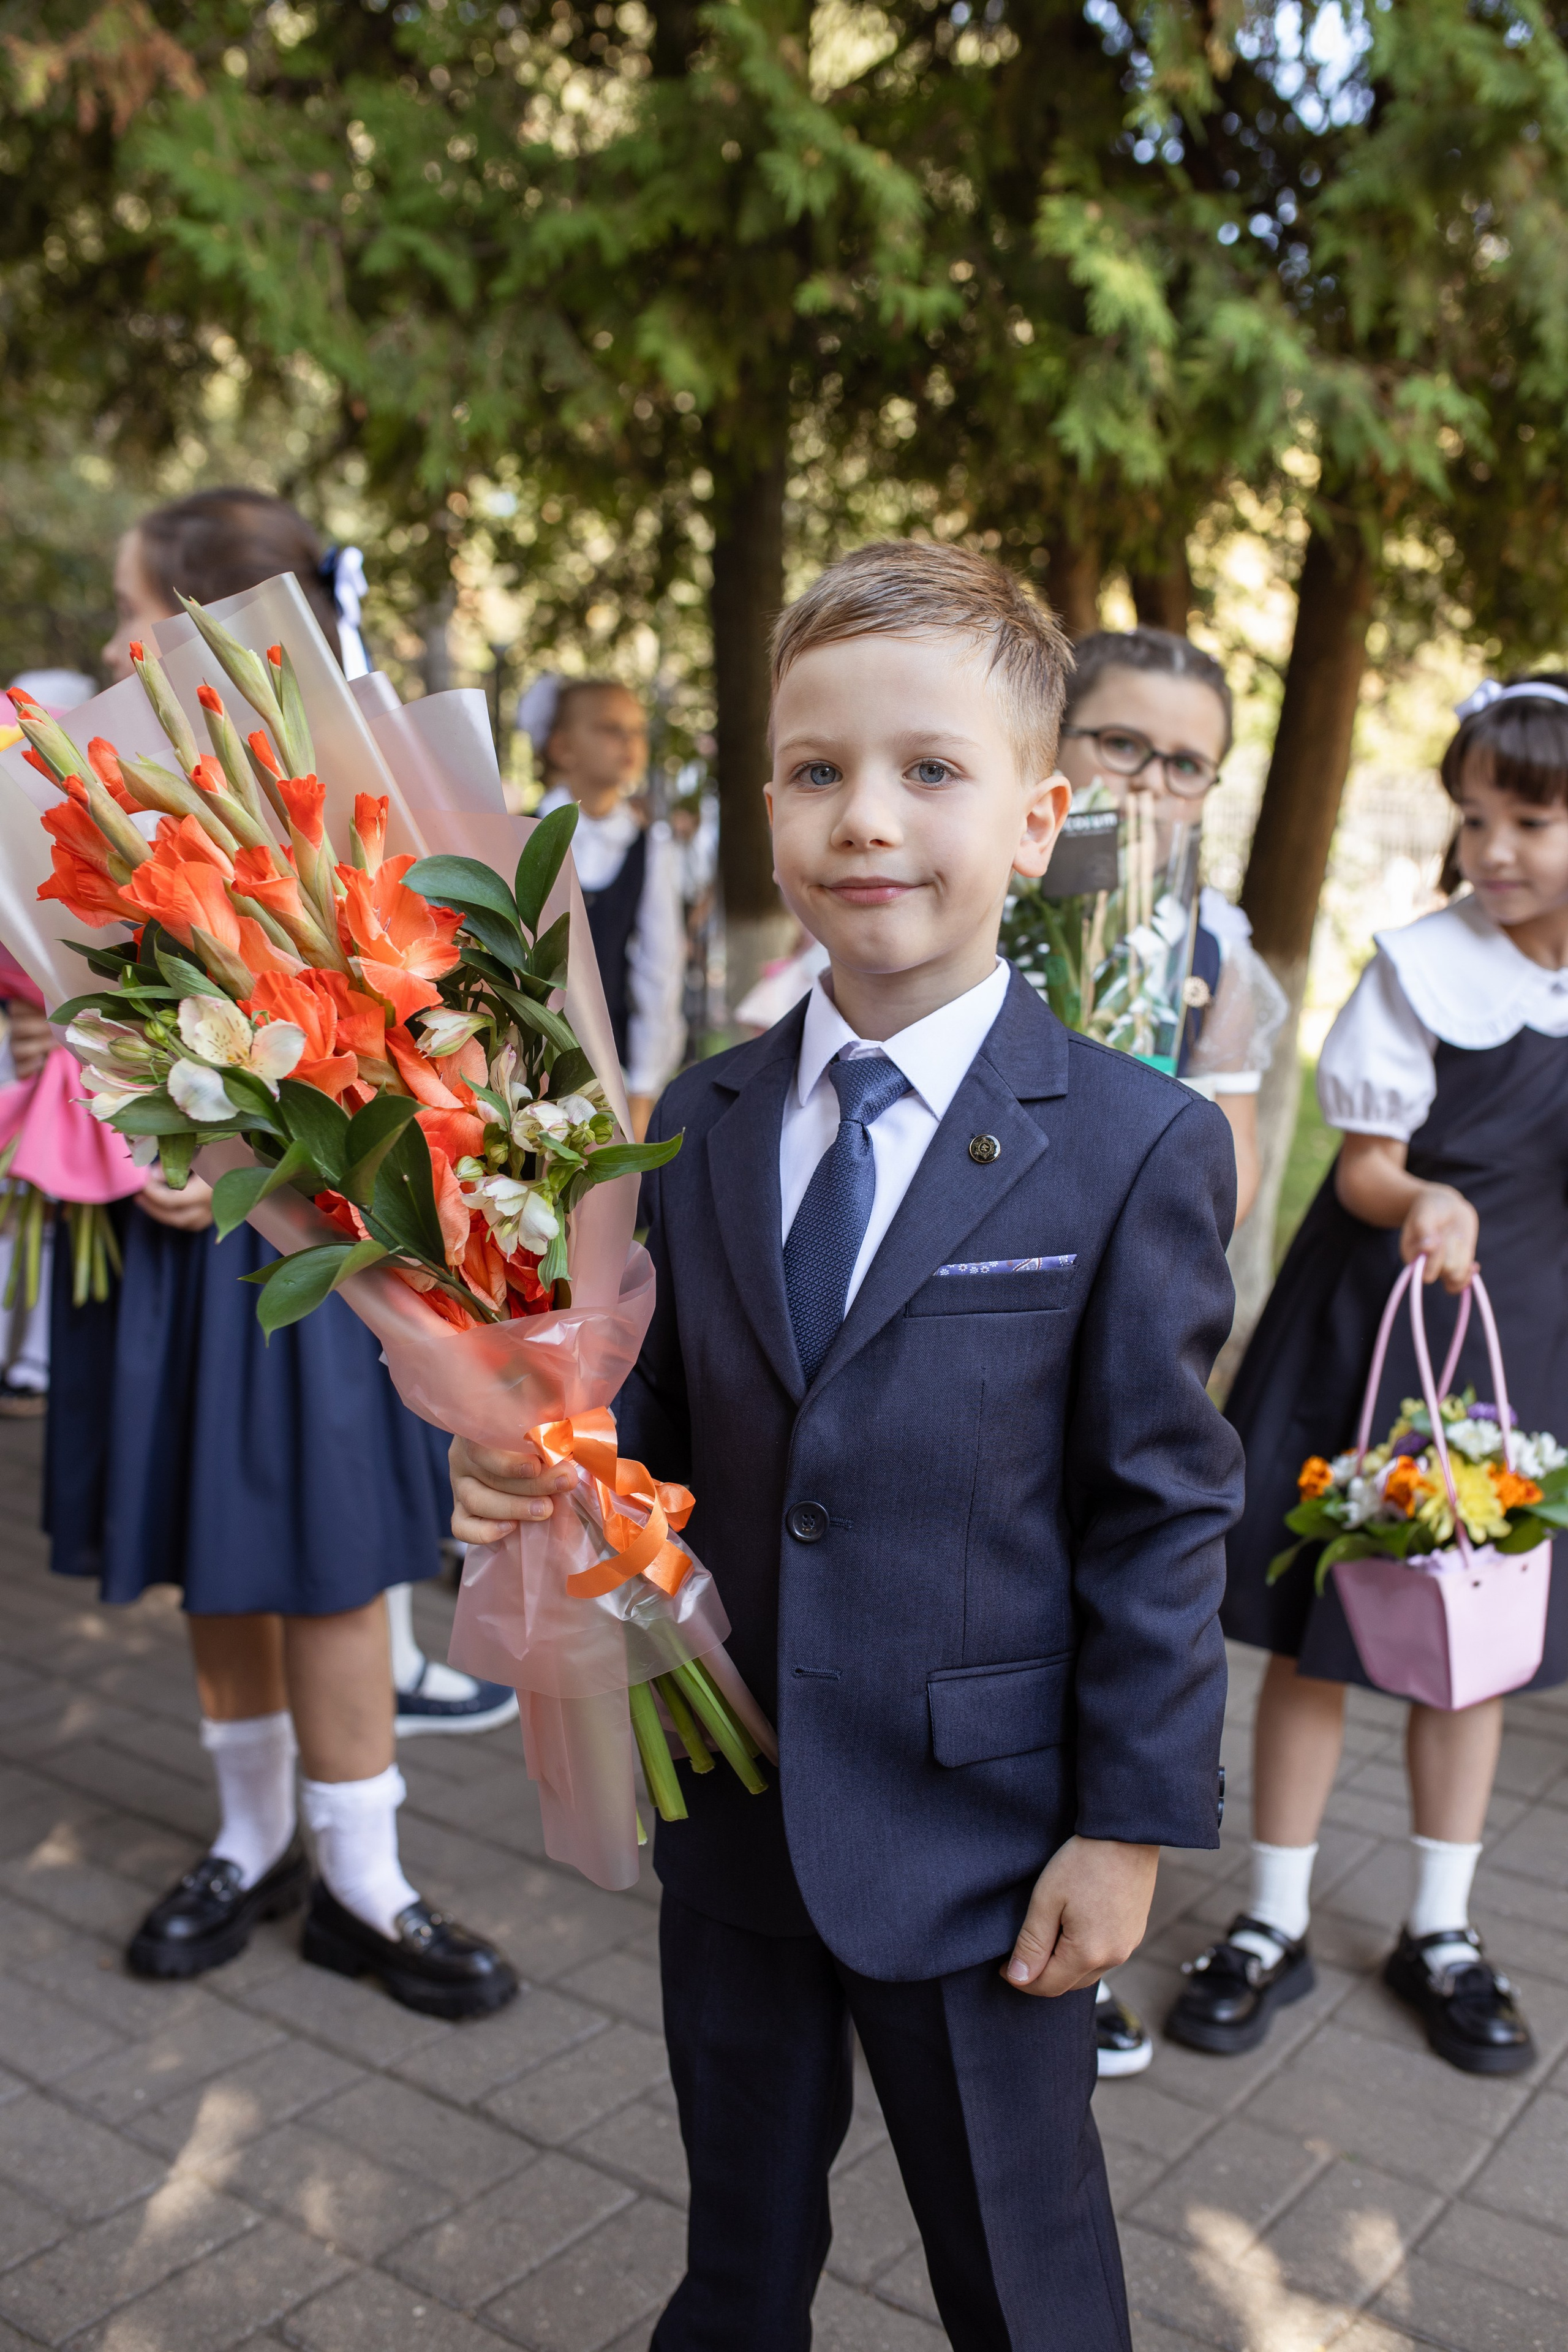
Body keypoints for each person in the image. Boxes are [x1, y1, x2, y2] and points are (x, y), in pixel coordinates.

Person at [453, 541, 1243, 2352]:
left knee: (1021, 2274)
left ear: (1041, 819)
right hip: (735, 1807)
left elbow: (1159, 1512)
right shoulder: (699, 1115)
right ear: (766, 805)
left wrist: (1125, 1825)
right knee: (735, 2251)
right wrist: (535, 1462)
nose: (864, 817)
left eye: (929, 770)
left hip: (981, 1833)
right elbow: (648, 1422)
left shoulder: (1128, 1143)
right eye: (816, 771)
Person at [56, 489, 517, 2015]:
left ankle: (363, 1880)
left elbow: (427, 1019)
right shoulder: (120, 788)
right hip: (185, 1242)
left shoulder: (356, 772)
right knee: (220, 1545)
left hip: (325, 1235)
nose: (111, 639)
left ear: (197, 627)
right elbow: (86, 1010)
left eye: (130, 607)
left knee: (323, 1556)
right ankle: (249, 1840)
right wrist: (152, 1139)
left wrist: (262, 1150)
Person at [1166, 674, 1568, 2078]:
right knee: (1318, 1631)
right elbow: (1362, 1160)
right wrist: (1420, 1199)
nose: (1491, 848)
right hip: (1382, 1324)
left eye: (1528, 817)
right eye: (1472, 818)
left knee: (1474, 1640)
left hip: (1523, 1347)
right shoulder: (1420, 964)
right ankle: (1270, 1913)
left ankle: (1439, 1927)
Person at [1055, 626, 1286, 2073]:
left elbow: (1233, 1175)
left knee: (1093, 1613)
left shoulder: (1210, 948)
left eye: (1183, 762)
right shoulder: (978, 895)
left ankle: (1075, 1935)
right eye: (1119, 744)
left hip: (1116, 1337)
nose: (1149, 781)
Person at [519, 674, 685, 1137]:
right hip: (523, 1062)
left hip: (612, 1063)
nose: (629, 742)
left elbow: (660, 968)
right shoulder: (521, 834)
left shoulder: (650, 847)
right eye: (610, 729)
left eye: (636, 730)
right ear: (562, 747)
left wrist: (644, 1086)